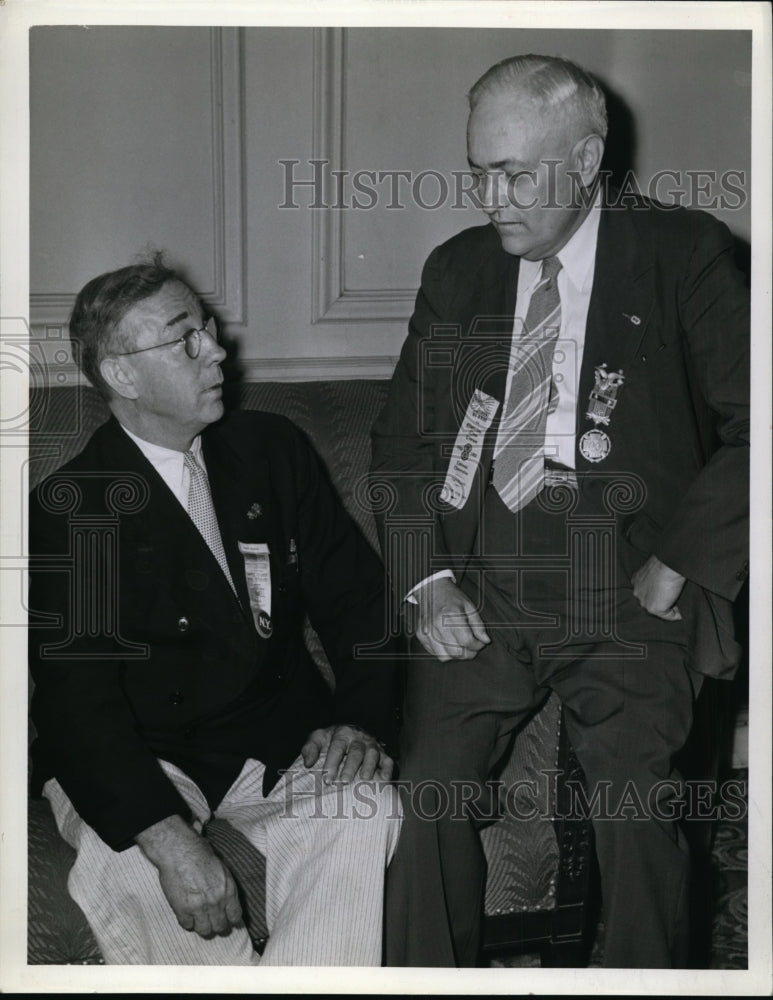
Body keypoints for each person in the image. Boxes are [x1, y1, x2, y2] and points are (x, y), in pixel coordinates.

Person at [370, 53, 749, 968]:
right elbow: (401, 447)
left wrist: (681, 562)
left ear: (584, 161)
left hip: (627, 587)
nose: (491, 199)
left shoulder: (682, 255)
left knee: (636, 811)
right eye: (478, 172)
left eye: (514, 173)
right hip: (485, 587)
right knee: (422, 802)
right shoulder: (457, 271)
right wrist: (426, 582)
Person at [28, 257, 402, 966]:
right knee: (134, 866)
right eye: (185, 338)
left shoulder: (271, 450)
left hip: (271, 741)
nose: (217, 351)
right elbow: (78, 704)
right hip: (143, 755)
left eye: (206, 328)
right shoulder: (71, 509)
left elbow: (359, 602)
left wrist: (361, 722)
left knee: (365, 807)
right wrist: (168, 837)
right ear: (123, 376)